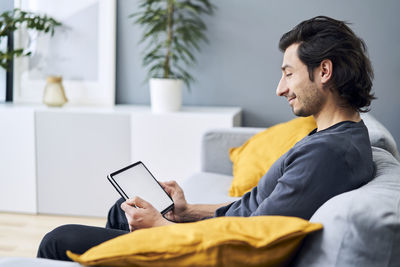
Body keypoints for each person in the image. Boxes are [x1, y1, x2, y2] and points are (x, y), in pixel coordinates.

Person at [37, 16, 376, 261]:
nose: (280, 88)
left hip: (209, 251)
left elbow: (246, 241)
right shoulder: (333, 137)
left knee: (58, 240)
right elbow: (254, 208)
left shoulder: (328, 155)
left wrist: (162, 228)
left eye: (288, 73)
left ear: (324, 71)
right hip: (216, 234)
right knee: (122, 209)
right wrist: (185, 212)